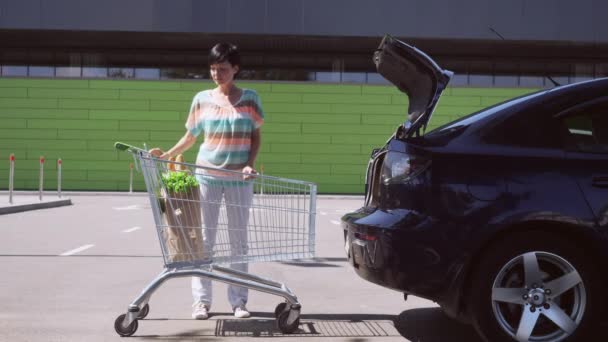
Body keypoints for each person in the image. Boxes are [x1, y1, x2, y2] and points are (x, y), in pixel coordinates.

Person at [149, 42, 263, 320]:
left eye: (222, 69)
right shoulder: (201, 99)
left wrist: (250, 164)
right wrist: (168, 154)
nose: (216, 74)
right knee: (204, 240)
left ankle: (239, 302)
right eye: (213, 69)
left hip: (239, 179)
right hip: (207, 176)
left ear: (235, 69)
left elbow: (255, 135)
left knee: (239, 241)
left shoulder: (250, 99)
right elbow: (191, 136)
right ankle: (201, 302)